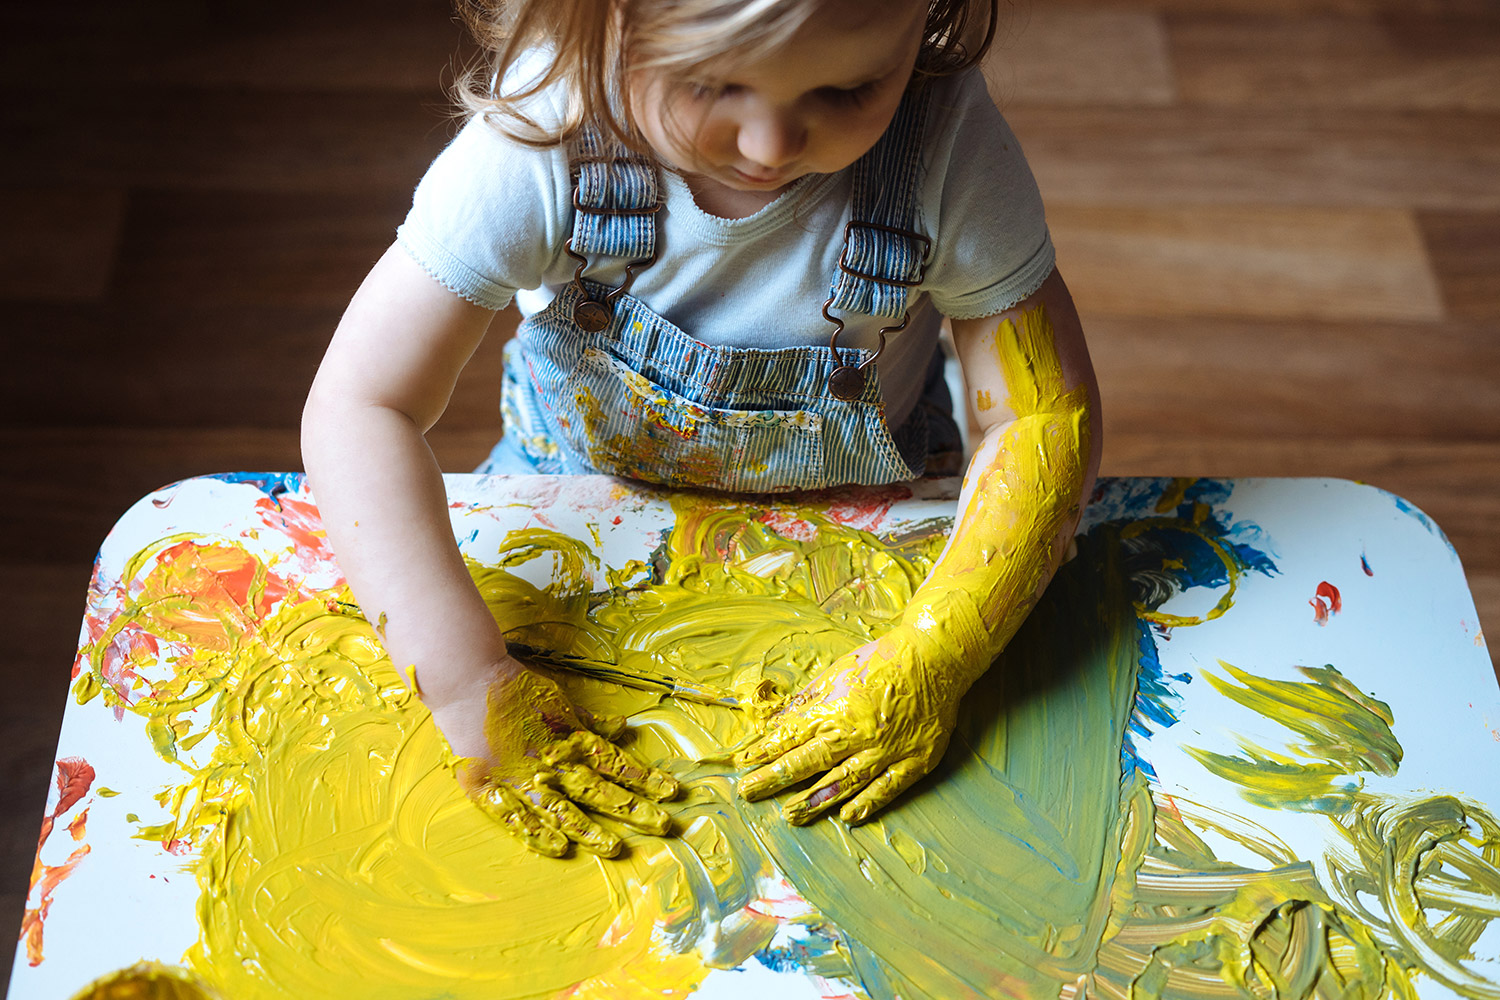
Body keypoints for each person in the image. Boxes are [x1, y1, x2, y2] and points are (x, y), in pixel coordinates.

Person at [301, 0, 1102, 859]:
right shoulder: (546, 133)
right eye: (710, 85)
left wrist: (934, 655)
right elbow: (360, 407)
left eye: (849, 88)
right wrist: (465, 681)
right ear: (593, 26)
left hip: (878, 500)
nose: (770, 146)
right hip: (579, 486)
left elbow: (1040, 415)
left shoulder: (944, 140)